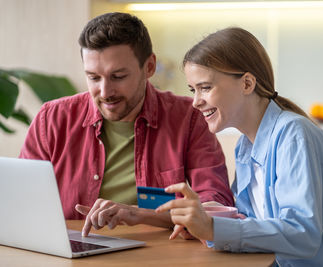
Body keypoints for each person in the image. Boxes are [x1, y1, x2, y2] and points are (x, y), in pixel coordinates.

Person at [156, 27, 323, 266]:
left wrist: (214, 228)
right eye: (192, 90)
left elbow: (302, 234)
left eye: (205, 87)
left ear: (247, 83)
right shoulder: (245, 146)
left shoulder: (294, 136)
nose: (195, 102)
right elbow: (253, 220)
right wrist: (209, 215)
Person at [19, 12, 233, 237]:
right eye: (93, 77)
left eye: (118, 76)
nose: (105, 92)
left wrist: (141, 214)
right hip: (73, 250)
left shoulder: (188, 118)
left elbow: (216, 207)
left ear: (149, 67)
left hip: (159, 255)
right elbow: (22, 203)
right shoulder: (51, 119)